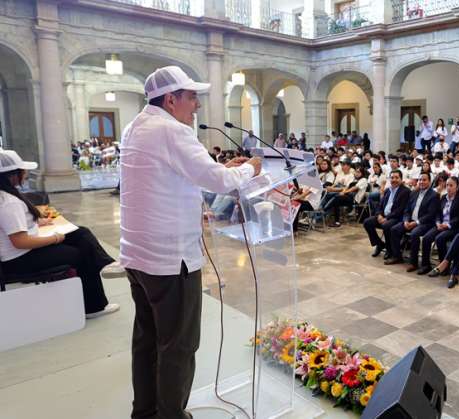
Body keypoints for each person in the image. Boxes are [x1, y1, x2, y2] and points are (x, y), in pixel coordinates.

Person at [120, 66, 262, 419]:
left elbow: (181, 172)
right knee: (179, 345)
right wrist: (251, 169)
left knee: (148, 340)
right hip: (170, 260)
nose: (196, 105)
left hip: (138, 256)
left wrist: (226, 166)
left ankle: (146, 411)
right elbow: (219, 182)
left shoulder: (137, 126)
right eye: (191, 96)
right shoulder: (171, 130)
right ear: (171, 99)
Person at [0, 149, 119, 318]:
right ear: (12, 175)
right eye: (23, 170)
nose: (26, 173)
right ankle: (94, 307)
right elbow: (20, 241)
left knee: (80, 233)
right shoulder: (8, 203)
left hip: (19, 254)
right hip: (19, 259)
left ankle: (107, 264)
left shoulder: (6, 197)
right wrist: (54, 239)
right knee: (79, 253)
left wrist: (36, 222)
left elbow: (13, 227)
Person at [389, 173, 439, 269]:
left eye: (424, 180)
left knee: (414, 234)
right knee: (394, 229)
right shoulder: (413, 193)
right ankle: (397, 256)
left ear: (429, 181)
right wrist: (406, 220)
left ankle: (414, 263)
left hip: (425, 223)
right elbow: (407, 209)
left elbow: (430, 214)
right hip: (410, 220)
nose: (421, 182)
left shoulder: (434, 195)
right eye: (420, 180)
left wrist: (416, 223)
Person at [419, 176, 459, 275]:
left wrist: (447, 225)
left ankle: (444, 266)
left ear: (457, 187)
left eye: (451, 185)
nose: (448, 187)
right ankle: (425, 265)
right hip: (441, 224)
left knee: (440, 238)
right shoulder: (443, 197)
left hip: (454, 227)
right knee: (427, 238)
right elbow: (437, 213)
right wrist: (437, 222)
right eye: (447, 185)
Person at [363, 170, 411, 258]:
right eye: (392, 178)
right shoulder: (387, 190)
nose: (394, 180)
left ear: (401, 179)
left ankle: (389, 250)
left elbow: (400, 210)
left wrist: (387, 218)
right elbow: (380, 206)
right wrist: (379, 215)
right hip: (384, 216)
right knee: (367, 222)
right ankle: (379, 244)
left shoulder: (405, 191)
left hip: (396, 218)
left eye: (397, 178)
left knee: (386, 225)